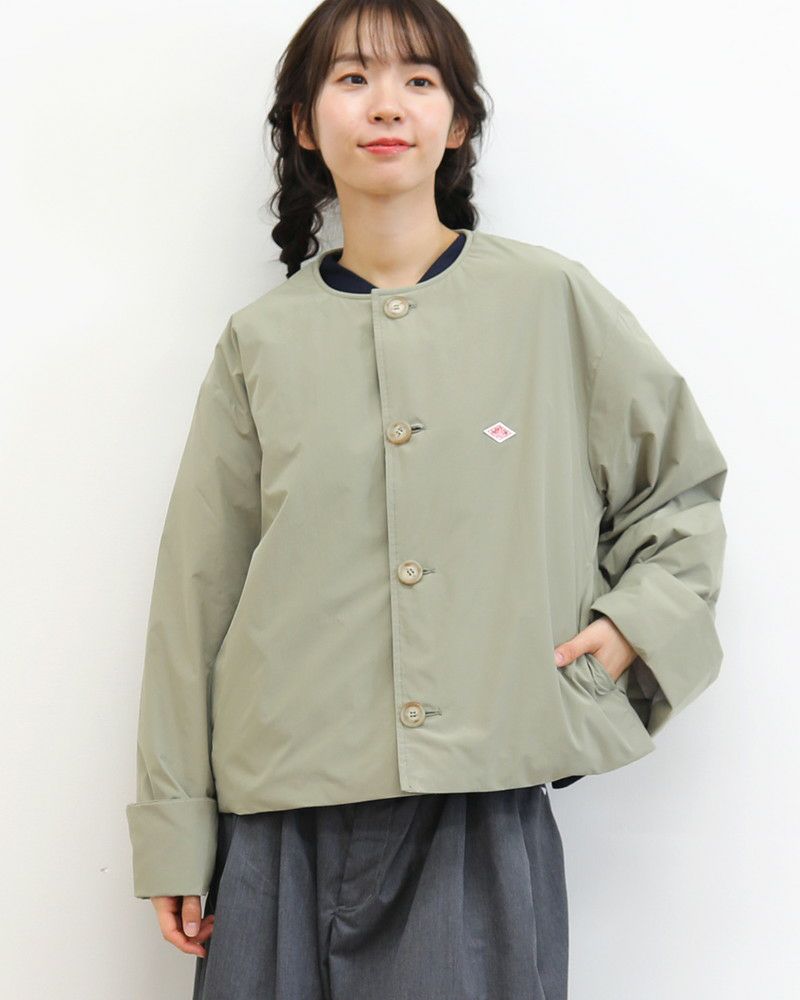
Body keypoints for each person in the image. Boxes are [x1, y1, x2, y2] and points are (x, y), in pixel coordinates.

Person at [124, 2, 729, 998]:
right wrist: (175, 825)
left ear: (458, 123)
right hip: (279, 813)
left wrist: (632, 626)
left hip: (479, 800)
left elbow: (678, 492)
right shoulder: (259, 342)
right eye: (351, 78)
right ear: (303, 123)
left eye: (418, 79)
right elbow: (197, 594)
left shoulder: (549, 303)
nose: (385, 104)